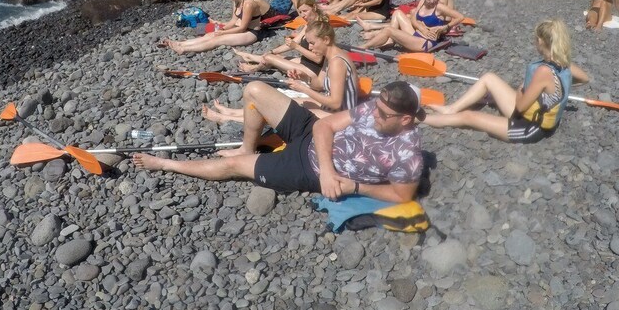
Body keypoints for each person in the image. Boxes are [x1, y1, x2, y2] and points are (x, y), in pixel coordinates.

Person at [134, 80, 426, 203]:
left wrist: (354, 186)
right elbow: (324, 126)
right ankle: (247, 145)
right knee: (255, 89)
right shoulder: (374, 108)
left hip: (306, 168)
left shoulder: (407, 155)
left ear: (405, 120)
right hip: (313, 139)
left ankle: (164, 164)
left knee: (234, 166)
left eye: (384, 114)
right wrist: (328, 168)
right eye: (377, 107)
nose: (374, 114)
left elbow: (402, 196)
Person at [422, 19, 589, 143]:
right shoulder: (565, 63)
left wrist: (522, 89)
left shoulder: (544, 71)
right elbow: (584, 79)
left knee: (469, 117)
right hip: (532, 114)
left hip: (530, 127)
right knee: (489, 78)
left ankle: (420, 118)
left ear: (540, 42)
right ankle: (450, 109)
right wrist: (555, 91)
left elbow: (521, 106)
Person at [205, 20, 359, 124]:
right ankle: (232, 113)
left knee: (283, 109)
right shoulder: (330, 56)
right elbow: (319, 84)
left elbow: (335, 102)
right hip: (331, 109)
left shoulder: (337, 63)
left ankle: (226, 118)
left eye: (312, 43)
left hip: (341, 116)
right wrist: (304, 77)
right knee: (286, 102)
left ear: (326, 40)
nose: (310, 48)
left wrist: (303, 89)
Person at [160, 0, 271, 54]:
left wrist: (222, 32)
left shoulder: (248, 4)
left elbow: (242, 27)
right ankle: (180, 43)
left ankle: (184, 49)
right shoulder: (236, 1)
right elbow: (233, 21)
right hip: (240, 28)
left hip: (251, 33)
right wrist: (221, 28)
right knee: (211, 33)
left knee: (217, 40)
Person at [233, 0, 328, 78]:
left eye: (305, 11)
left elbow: (318, 59)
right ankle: (250, 57)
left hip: (313, 70)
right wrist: (272, 51)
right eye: (300, 12)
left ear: (314, 7)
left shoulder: (320, 27)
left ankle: (253, 68)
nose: (302, 15)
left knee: (270, 58)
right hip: (306, 62)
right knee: (275, 56)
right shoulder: (310, 24)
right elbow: (294, 42)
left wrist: (297, 47)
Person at [357, 0, 465, 51]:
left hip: (425, 42)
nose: (432, 1)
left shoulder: (439, 7)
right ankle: (389, 40)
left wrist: (444, 27)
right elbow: (413, 18)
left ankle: (365, 47)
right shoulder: (422, 3)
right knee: (397, 13)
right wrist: (420, 26)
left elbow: (460, 17)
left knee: (389, 30)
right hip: (417, 33)